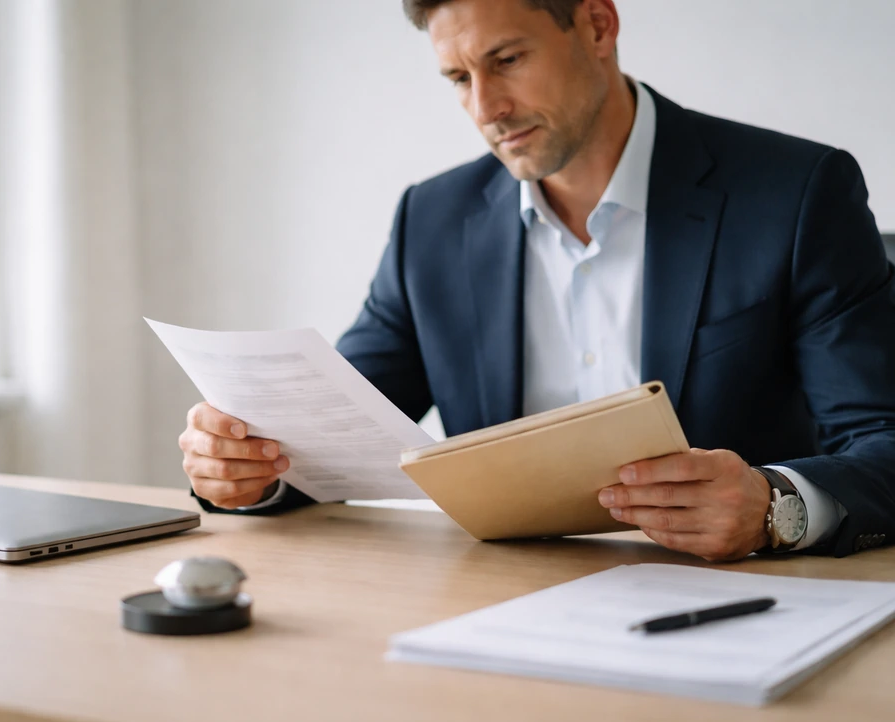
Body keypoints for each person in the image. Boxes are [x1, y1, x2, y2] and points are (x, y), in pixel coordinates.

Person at [179, 0, 895, 560]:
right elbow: (336, 432)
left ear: (597, 25)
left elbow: (883, 442)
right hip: (502, 602)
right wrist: (252, 468)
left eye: (508, 59)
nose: (486, 108)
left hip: (730, 600)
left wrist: (773, 507)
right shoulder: (432, 219)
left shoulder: (796, 194)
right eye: (459, 78)